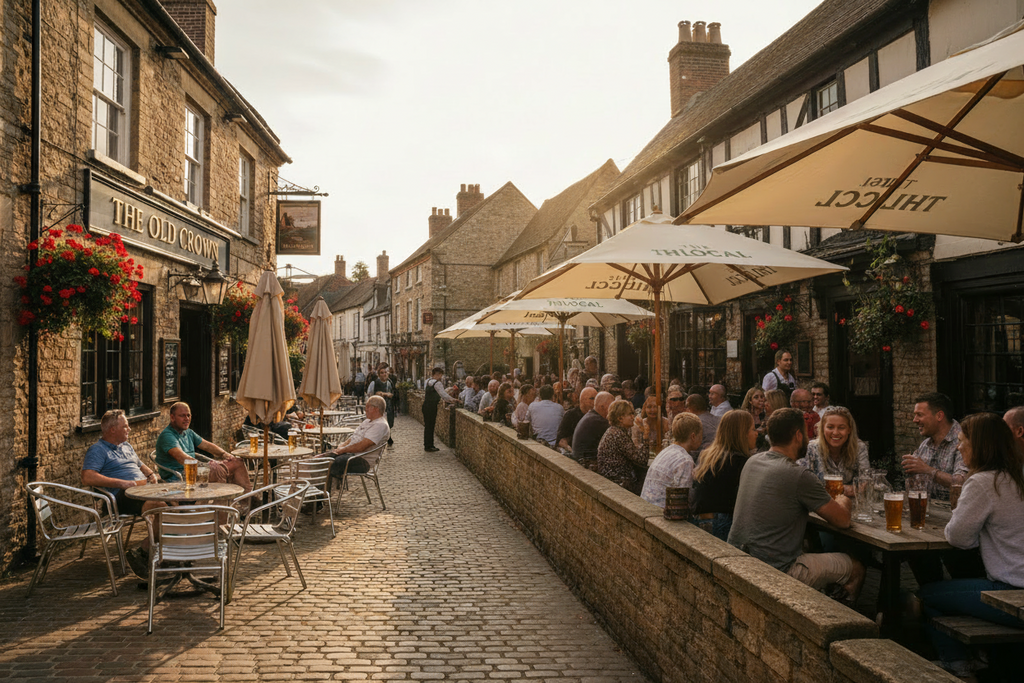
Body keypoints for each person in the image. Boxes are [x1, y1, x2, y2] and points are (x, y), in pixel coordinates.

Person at [919, 413, 1024, 679]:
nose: (958, 446)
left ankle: (960, 666)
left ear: (980, 446)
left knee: (926, 595)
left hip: (1012, 592)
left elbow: (958, 539)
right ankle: (983, 655)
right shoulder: (1018, 475)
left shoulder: (982, 482)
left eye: (963, 441)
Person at [728, 408, 865, 601]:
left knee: (812, 546)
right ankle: (843, 620)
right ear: (798, 435)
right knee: (856, 567)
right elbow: (842, 520)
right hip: (778, 569)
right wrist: (843, 499)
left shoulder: (753, 461)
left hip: (740, 558)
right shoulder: (798, 475)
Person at [81, 409, 166, 577]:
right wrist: (122, 483)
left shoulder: (126, 446)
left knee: (178, 499)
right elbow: (87, 477)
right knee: (162, 505)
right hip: (121, 497)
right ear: (113, 429)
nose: (129, 429)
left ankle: (170, 551)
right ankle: (145, 550)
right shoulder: (97, 450)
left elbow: (140, 464)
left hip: (144, 489)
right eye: (125, 426)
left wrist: (150, 475)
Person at [156, 402, 252, 494]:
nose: (186, 419)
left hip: (195, 471)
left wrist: (225, 454)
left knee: (237, 462)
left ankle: (247, 501)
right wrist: (206, 466)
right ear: (172, 417)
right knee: (218, 470)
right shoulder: (167, 436)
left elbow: (207, 445)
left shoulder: (188, 432)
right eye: (182, 416)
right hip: (180, 476)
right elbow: (182, 458)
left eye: (188, 415)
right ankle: (220, 507)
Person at [692, 410, 756, 541]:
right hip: (722, 521)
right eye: (753, 429)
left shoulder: (710, 456)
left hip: (700, 520)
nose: (756, 434)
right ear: (742, 434)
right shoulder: (740, 462)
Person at [903, 392, 967, 501]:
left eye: (920, 415)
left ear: (939, 416)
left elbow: (962, 483)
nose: (915, 420)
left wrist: (927, 470)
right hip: (929, 512)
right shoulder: (925, 444)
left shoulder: (964, 442)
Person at [800, 406, 869, 496]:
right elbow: (805, 485)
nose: (835, 432)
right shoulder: (812, 448)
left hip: (852, 504)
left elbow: (865, 484)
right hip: (820, 505)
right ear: (822, 429)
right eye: (830, 427)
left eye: (841, 428)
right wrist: (848, 489)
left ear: (849, 429)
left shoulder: (859, 448)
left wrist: (830, 489)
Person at [641, 413, 702, 508]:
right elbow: (682, 500)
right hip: (660, 514)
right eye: (701, 435)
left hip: (646, 507)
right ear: (693, 436)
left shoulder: (666, 451)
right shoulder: (685, 460)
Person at [329, 396, 391, 478]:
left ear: (376, 409)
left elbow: (362, 446)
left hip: (363, 461)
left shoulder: (380, 425)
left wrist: (342, 450)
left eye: (368, 407)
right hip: (353, 455)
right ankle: (322, 486)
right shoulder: (367, 421)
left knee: (329, 462)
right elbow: (353, 437)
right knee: (323, 458)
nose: (366, 409)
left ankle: (324, 489)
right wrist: (342, 446)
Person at [596, 400, 649, 493]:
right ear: (620, 418)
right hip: (620, 484)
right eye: (630, 414)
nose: (633, 417)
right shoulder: (618, 434)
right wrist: (646, 437)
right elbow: (642, 460)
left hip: (612, 481)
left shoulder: (614, 431)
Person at [572, 391, 614, 467]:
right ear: (602, 407)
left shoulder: (592, 416)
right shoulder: (597, 421)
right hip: (588, 464)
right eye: (612, 407)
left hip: (582, 461)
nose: (614, 410)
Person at [423, 367, 457, 452]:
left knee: (427, 426)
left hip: (425, 405)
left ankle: (427, 444)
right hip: (432, 406)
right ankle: (429, 446)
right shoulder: (437, 383)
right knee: (431, 425)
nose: (441, 377)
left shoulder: (427, 381)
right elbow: (444, 396)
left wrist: (447, 390)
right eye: (441, 375)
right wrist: (454, 400)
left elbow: (438, 392)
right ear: (437, 374)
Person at [366, 367, 396, 450]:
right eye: (382, 373)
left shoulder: (390, 382)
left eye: (386, 372)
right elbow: (371, 393)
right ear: (379, 375)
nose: (385, 374)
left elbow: (393, 393)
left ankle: (388, 437)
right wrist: (385, 394)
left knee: (390, 422)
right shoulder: (375, 383)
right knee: (379, 423)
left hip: (389, 406)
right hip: (378, 407)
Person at [558, 387, 595, 453]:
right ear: (583, 400)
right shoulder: (571, 415)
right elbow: (561, 440)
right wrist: (570, 450)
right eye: (592, 398)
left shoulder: (598, 416)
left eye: (596, 398)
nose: (595, 401)